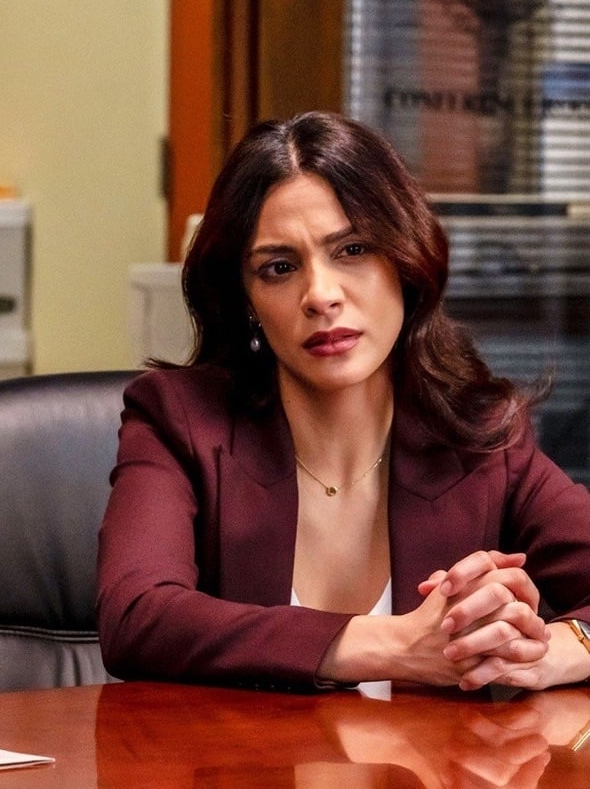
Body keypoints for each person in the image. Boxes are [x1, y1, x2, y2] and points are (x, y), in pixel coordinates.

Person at [96, 111, 590, 693]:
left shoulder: (480, 437)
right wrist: (393, 645)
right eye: (279, 268)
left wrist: (551, 651)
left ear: (405, 260)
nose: (321, 295)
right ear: (247, 298)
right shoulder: (180, 420)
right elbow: (137, 617)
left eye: (352, 249)